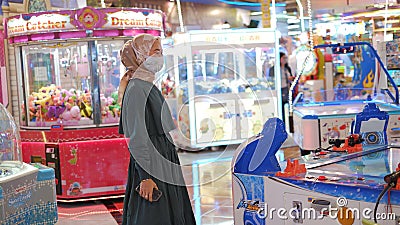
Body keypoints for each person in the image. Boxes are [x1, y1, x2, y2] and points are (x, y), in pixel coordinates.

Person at [118, 34, 196, 225]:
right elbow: (137, 137)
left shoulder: (145, 84)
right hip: (152, 163)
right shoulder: (137, 88)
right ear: (140, 56)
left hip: (161, 159)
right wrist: (146, 177)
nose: (160, 56)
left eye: (160, 52)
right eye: (155, 52)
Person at [268, 52, 294, 122]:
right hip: (279, 90)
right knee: (281, 108)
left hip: (287, 89)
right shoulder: (274, 69)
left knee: (288, 108)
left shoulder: (287, 68)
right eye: (283, 58)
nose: (285, 60)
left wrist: (291, 79)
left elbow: (290, 77)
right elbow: (271, 80)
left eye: (286, 58)